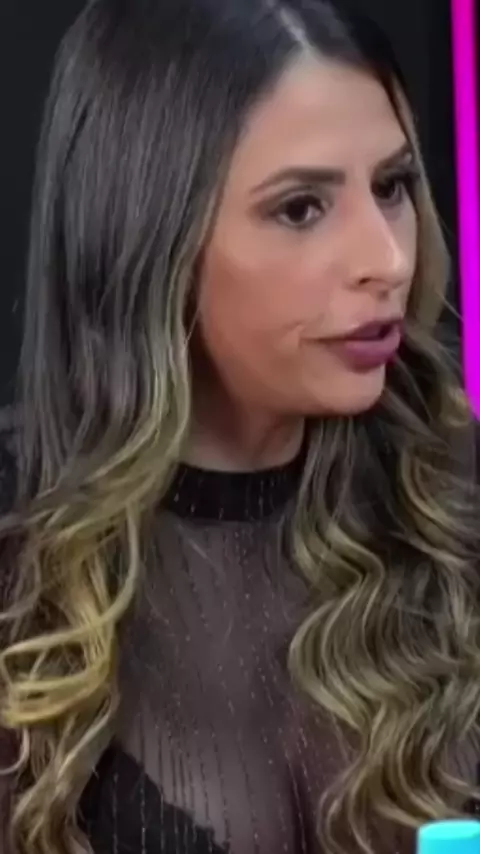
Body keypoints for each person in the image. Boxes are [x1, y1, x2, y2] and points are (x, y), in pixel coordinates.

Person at [0, 0, 479, 852]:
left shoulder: (457, 498)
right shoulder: (19, 553)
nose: (388, 259)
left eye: (393, 187)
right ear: (149, 238)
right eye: (300, 209)